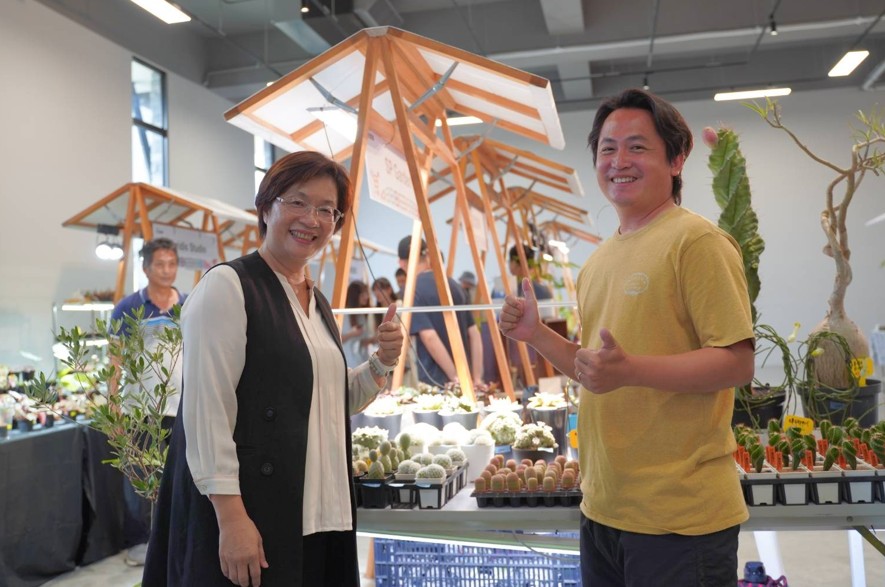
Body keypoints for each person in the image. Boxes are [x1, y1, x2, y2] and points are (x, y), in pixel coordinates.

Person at [499, 88, 754, 586]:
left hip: (680, 518)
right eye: (608, 148)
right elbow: (596, 369)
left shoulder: (696, 241)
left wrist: (632, 369)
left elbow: (736, 362)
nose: (619, 161)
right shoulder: (598, 261)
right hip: (604, 509)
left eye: (637, 147)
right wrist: (536, 335)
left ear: (676, 160)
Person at [143, 151, 404, 587]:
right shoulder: (229, 286)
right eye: (297, 202)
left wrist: (383, 361)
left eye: (327, 209)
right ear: (266, 208)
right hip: (253, 515)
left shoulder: (316, 301)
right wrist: (231, 518)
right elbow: (207, 412)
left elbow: (328, 400)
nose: (312, 219)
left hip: (319, 514)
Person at [109, 237, 186, 566]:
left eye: (172, 264)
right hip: (141, 409)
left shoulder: (187, 305)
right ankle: (140, 542)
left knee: (179, 477)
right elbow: (115, 361)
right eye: (160, 264)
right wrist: (113, 405)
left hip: (180, 406)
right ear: (145, 268)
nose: (167, 270)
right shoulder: (128, 308)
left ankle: (174, 539)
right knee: (140, 477)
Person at [398, 236, 483, 388]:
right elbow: (474, 333)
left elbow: (429, 336)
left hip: (437, 382)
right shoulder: (455, 285)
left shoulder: (411, 290)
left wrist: (455, 378)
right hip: (467, 378)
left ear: (402, 263)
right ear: (427, 256)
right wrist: (477, 378)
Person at [341, 280, 374, 367]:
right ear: (355, 295)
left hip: (359, 361)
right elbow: (336, 339)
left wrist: (374, 339)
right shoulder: (344, 314)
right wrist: (351, 333)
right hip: (346, 361)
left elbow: (363, 342)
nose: (366, 297)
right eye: (363, 294)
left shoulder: (361, 315)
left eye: (367, 294)